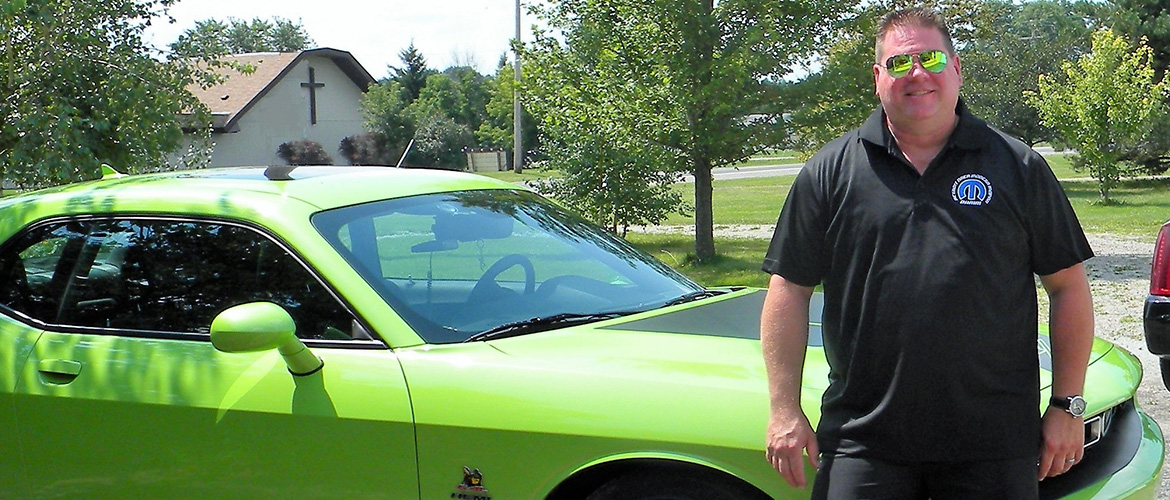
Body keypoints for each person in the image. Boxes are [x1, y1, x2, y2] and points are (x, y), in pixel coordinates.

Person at [760, 7, 1095, 499]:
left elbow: (1067, 287)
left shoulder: (1018, 166)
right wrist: (784, 410)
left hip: (993, 444)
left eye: (931, 58)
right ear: (878, 78)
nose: (916, 73)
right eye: (898, 63)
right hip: (865, 441)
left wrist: (1068, 406)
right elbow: (788, 289)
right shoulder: (830, 171)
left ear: (956, 69)